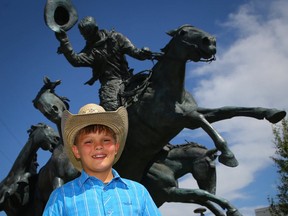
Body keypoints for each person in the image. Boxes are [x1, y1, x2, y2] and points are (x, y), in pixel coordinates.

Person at [43, 103, 161, 215]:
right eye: (88, 142)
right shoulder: (60, 197)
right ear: (76, 151)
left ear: (116, 147)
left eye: (106, 140)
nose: (98, 146)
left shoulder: (138, 192)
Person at [55, 16, 153, 111]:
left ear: (96, 29)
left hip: (128, 78)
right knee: (111, 108)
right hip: (110, 85)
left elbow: (135, 52)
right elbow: (76, 60)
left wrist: (143, 53)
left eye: (87, 34)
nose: (85, 37)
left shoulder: (116, 38)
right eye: (83, 34)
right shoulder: (90, 52)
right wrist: (65, 42)